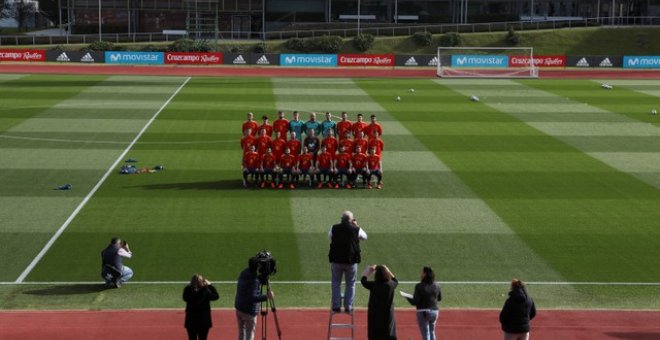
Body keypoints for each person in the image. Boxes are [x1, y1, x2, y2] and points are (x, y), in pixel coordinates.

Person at [328, 211, 367, 313]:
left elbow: (330, 237)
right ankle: (348, 307)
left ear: (341, 219)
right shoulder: (356, 229)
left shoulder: (334, 228)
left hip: (337, 260)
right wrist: (356, 226)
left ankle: (336, 306)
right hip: (351, 261)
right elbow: (364, 237)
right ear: (351, 219)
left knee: (336, 283)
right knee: (351, 284)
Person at [235, 256, 274, 340]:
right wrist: (266, 296)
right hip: (248, 312)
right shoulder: (254, 280)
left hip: (239, 307)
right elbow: (252, 297)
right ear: (258, 267)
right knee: (250, 335)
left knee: (241, 333)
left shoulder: (244, 272)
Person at [361, 264, 398, 340]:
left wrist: (369, 272)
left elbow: (363, 281)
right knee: (388, 331)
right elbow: (395, 280)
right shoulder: (391, 285)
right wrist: (388, 270)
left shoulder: (374, 285)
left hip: (375, 313)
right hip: (387, 313)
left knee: (375, 332)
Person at [405, 266, 442, 340]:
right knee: (432, 332)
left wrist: (406, 296)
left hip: (423, 312)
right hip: (435, 311)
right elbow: (440, 298)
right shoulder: (437, 285)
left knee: (426, 334)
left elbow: (415, 302)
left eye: (422, 272)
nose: (420, 273)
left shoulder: (419, 286)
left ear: (425, 274)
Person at [183, 274, 220, 340]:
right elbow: (216, 296)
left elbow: (185, 298)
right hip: (204, 321)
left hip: (191, 321)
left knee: (191, 338)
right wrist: (210, 285)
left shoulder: (187, 290)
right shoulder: (205, 291)